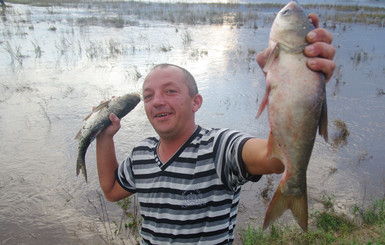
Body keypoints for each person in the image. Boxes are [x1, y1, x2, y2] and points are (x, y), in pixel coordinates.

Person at [96, 14, 335, 244]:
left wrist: (296, 88)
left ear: (196, 102)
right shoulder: (141, 154)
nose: (157, 100)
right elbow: (111, 191)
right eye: (148, 96)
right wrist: (104, 138)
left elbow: (278, 160)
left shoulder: (219, 147)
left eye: (170, 91)